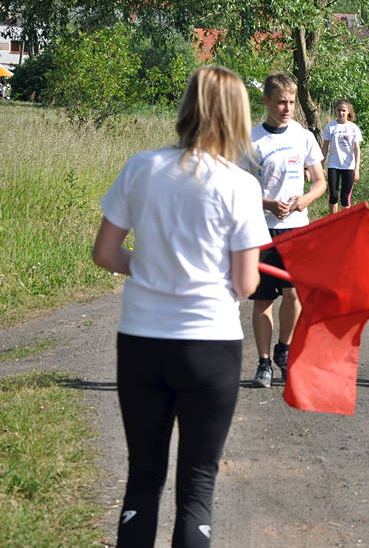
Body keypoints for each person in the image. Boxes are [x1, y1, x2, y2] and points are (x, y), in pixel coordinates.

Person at [92, 66, 270, 547]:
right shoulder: (240, 186)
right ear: (237, 116)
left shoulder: (141, 167)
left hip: (142, 342)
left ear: (187, 106)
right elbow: (246, 282)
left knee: (143, 480)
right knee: (197, 486)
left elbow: (106, 253)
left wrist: (150, 269)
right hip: (209, 346)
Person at [249, 73, 327, 388]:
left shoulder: (303, 136)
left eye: (292, 102)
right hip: (261, 229)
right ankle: (264, 363)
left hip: (297, 228)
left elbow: (320, 181)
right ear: (266, 101)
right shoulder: (250, 139)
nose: (287, 108)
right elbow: (235, 188)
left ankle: (284, 348)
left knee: (293, 293)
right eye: (281, 101)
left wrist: (303, 200)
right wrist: (267, 203)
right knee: (263, 298)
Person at [321, 98, 362, 213]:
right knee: (333, 195)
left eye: (343, 110)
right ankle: (333, 223)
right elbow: (324, 147)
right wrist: (321, 165)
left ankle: (345, 224)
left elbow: (357, 149)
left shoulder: (353, 128)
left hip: (348, 166)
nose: (341, 113)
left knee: (345, 197)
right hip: (334, 164)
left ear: (348, 111)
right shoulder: (330, 127)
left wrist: (357, 169)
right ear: (336, 111)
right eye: (339, 110)